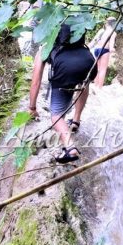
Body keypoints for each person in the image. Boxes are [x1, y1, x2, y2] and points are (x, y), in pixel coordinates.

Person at [28, 24, 96, 163]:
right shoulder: (79, 43)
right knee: (83, 82)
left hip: (65, 70)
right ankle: (76, 120)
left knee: (57, 116)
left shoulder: (45, 48)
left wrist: (32, 108)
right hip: (88, 61)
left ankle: (70, 149)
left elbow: (36, 82)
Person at [88, 17, 118, 89]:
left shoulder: (101, 31)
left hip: (97, 50)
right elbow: (111, 47)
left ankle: (95, 85)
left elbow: (94, 41)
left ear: (107, 23)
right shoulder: (113, 33)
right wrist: (114, 50)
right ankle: (99, 87)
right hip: (105, 50)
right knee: (103, 69)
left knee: (97, 68)